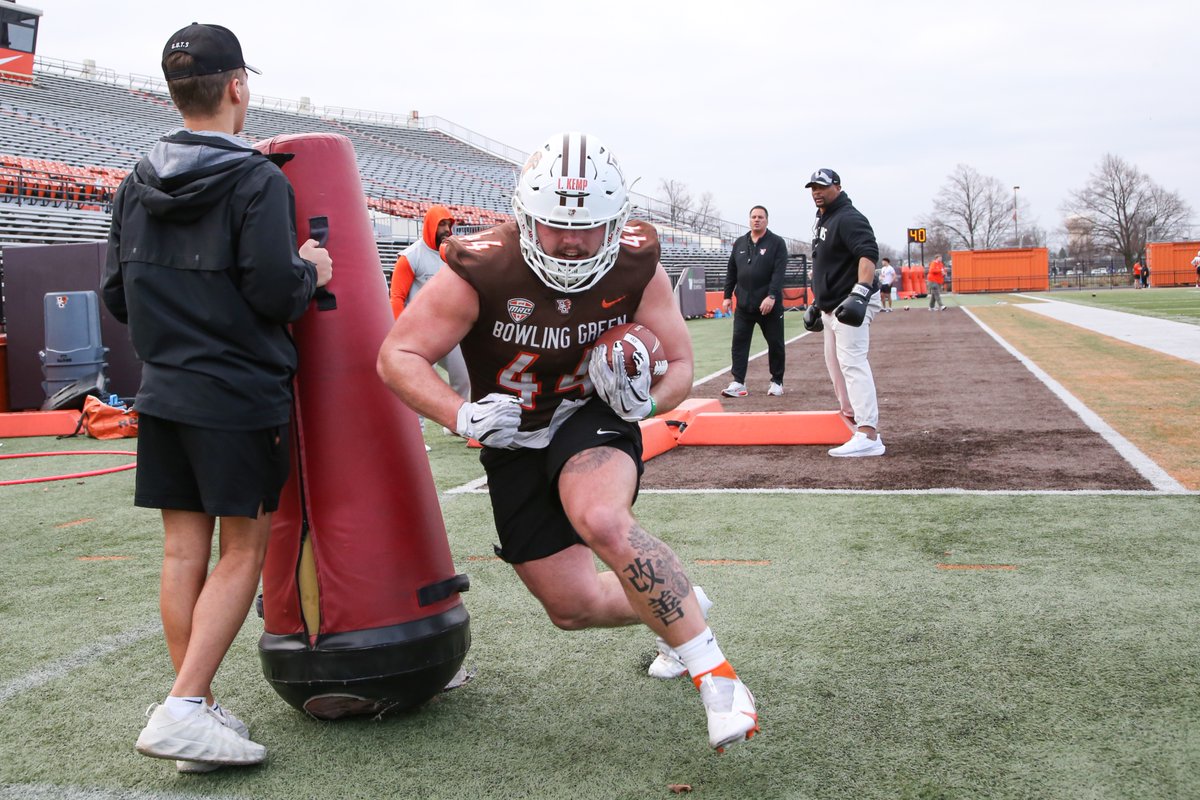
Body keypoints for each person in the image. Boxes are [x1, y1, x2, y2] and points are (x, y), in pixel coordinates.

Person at [377, 132, 758, 752]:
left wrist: (648, 402)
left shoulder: (637, 263)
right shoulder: (483, 265)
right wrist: (462, 416)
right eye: (555, 226)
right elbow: (398, 355)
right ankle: (678, 602)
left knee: (601, 516)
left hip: (592, 413)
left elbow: (681, 364)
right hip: (510, 429)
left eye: (589, 226)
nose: (572, 241)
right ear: (526, 217)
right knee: (572, 606)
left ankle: (716, 677)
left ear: (617, 221)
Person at [101, 23, 332, 772]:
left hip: (162, 388)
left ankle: (189, 706)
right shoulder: (259, 178)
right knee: (243, 548)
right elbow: (274, 291)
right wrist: (314, 270)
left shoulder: (135, 179)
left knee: (181, 551)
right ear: (237, 86)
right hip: (236, 393)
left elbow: (116, 296)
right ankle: (185, 703)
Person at [801, 168, 885, 457]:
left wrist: (860, 291)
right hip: (830, 304)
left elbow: (867, 253)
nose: (816, 192)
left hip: (850, 301)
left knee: (852, 362)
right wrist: (817, 301)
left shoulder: (848, 217)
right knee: (835, 365)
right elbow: (829, 264)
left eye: (822, 187)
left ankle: (868, 433)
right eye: (813, 187)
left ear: (837, 186)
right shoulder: (825, 218)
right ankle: (851, 417)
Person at [389, 205, 471, 448]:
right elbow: (396, 297)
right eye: (441, 225)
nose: (446, 230)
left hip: (449, 329)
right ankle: (415, 432)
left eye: (448, 225)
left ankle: (452, 422)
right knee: (417, 381)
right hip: (420, 332)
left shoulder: (454, 253)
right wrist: (398, 332)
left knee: (463, 374)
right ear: (429, 226)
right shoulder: (411, 256)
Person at [720, 205, 788, 397]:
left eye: (760, 217)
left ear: (767, 220)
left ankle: (777, 381)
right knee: (739, 343)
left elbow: (779, 272)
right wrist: (727, 296)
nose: (757, 220)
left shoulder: (777, 243)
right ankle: (738, 382)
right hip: (744, 305)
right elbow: (731, 271)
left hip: (769, 306)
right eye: (753, 217)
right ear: (749, 220)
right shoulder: (740, 243)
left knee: (775, 343)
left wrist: (772, 295)